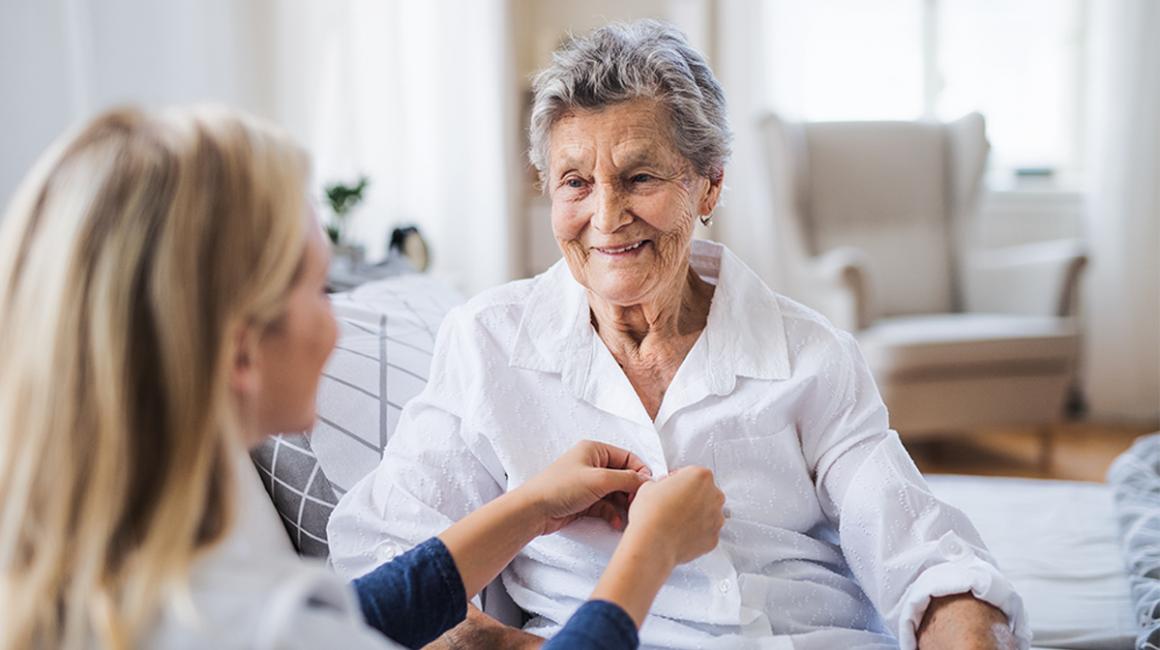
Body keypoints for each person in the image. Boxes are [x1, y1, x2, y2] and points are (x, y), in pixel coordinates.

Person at [328, 20, 1030, 650]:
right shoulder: (487, 344)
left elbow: (927, 562)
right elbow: (382, 553)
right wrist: (506, 647)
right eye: (575, 182)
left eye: (639, 177)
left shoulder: (811, 355)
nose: (605, 217)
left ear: (710, 186)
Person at [0, 105, 726, 650]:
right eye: (320, 291)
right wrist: (649, 552)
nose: (339, 325)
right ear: (242, 351)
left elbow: (354, 618)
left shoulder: (121, 577)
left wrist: (530, 506)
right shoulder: (244, 625)